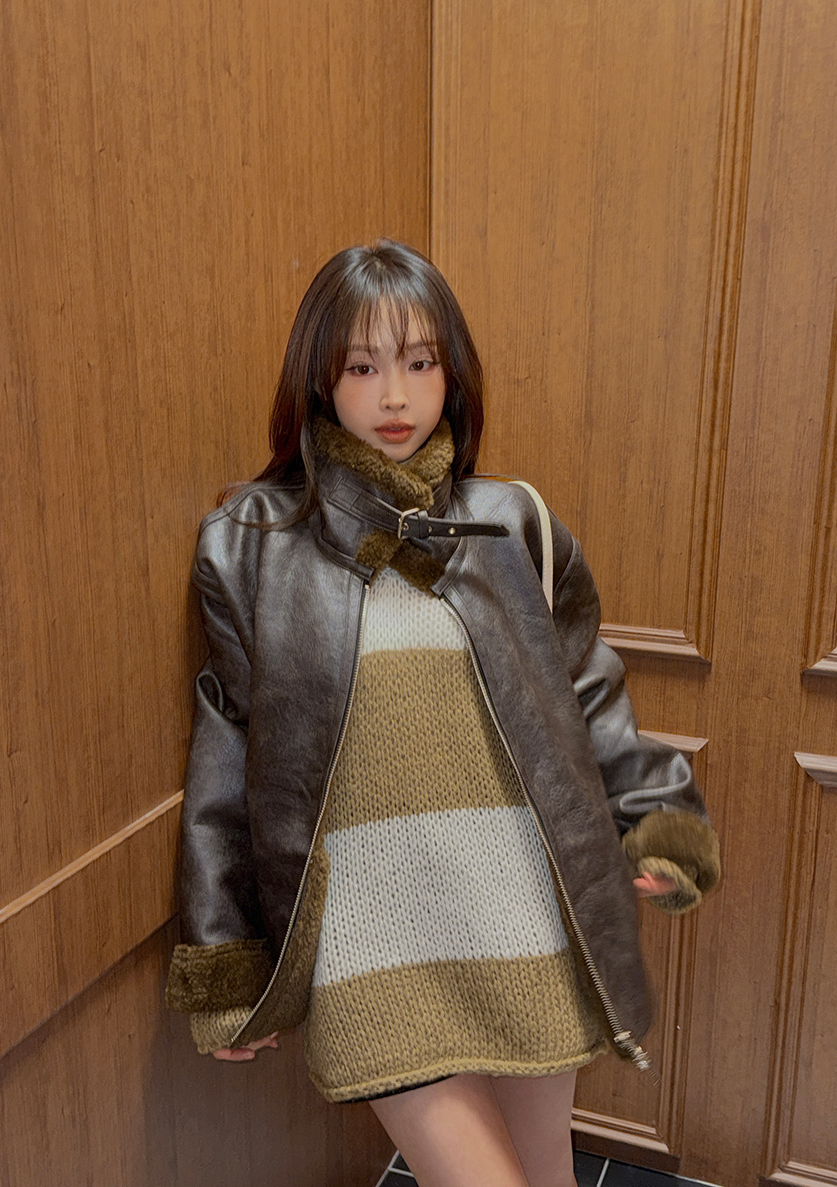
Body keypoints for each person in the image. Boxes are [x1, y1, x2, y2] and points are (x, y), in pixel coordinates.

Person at [165, 239, 720, 1187]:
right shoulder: (250, 542)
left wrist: (660, 820)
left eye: (419, 362)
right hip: (371, 937)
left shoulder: (515, 522)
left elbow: (588, 694)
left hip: (517, 908)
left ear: (451, 373)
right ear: (318, 379)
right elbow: (226, 756)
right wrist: (223, 956)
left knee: (546, 1174)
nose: (394, 396)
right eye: (362, 367)